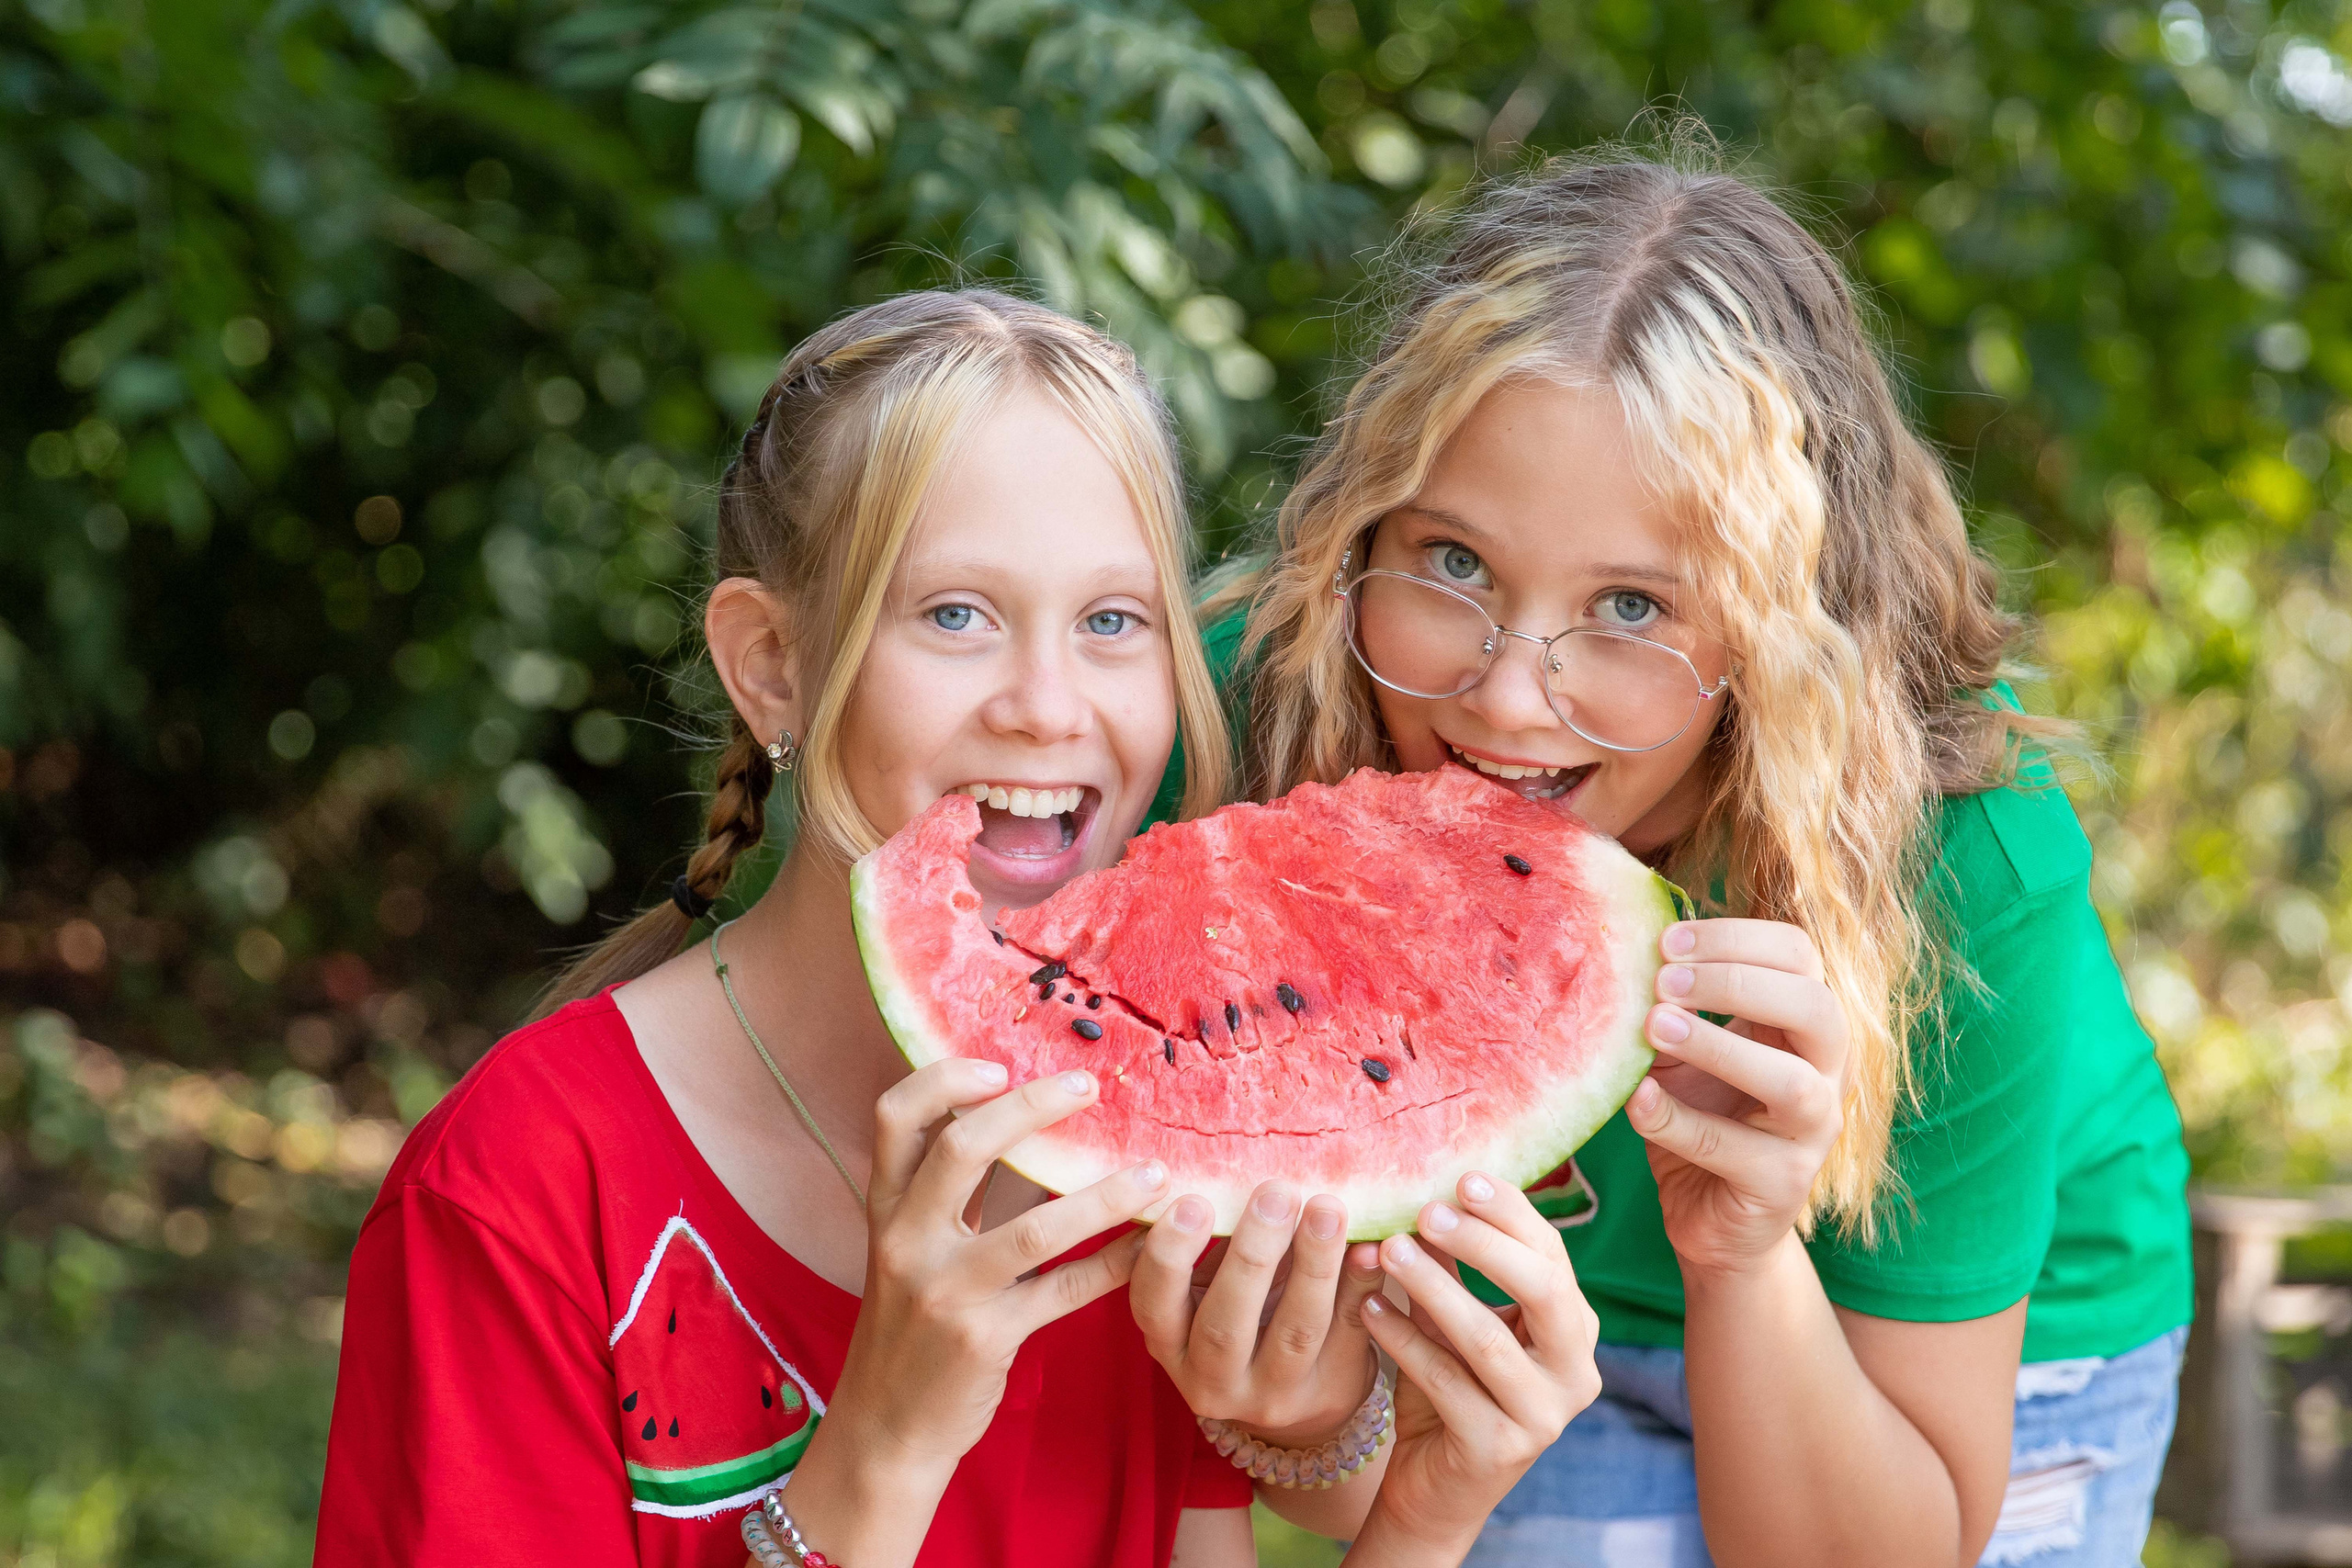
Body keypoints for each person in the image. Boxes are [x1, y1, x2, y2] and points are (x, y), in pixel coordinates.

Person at [314, 288, 1600, 1568]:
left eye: (1112, 622)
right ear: (772, 665)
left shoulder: (1154, 1183)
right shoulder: (515, 1191)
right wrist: (883, 1443)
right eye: (954, 616)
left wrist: (1427, 1517)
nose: (1047, 707)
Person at [1140, 150, 2191, 1568]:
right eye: (1451, 563)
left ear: (1777, 641)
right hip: (1537, 1328)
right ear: (1358, 527)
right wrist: (1307, 1417)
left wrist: (1745, 1252)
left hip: (1984, 1341)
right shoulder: (1245, 746)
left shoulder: (1964, 853)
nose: (1508, 700)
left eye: (1630, 604)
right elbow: (1346, 1492)